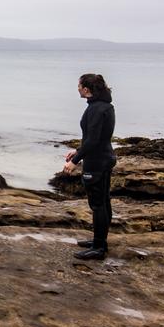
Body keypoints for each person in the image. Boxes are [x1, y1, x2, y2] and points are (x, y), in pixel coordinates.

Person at [63, 74, 116, 260]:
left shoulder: (95, 109)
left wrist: (74, 161)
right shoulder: (105, 106)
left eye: (79, 85)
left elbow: (93, 140)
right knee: (104, 202)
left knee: (98, 205)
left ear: (86, 89)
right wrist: (77, 151)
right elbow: (96, 138)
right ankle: (99, 241)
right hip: (105, 158)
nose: (77, 88)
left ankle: (99, 248)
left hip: (97, 162)